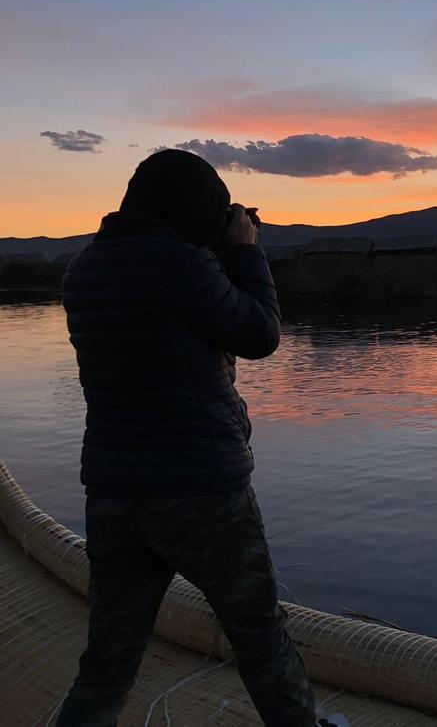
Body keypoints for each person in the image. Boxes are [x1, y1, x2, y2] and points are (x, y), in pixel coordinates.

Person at [57, 150, 340, 726]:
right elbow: (260, 333)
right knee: (259, 634)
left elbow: (167, 323)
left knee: (110, 655)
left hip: (113, 489)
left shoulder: (85, 268)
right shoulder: (183, 266)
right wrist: (244, 250)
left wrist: (214, 251)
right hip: (201, 486)